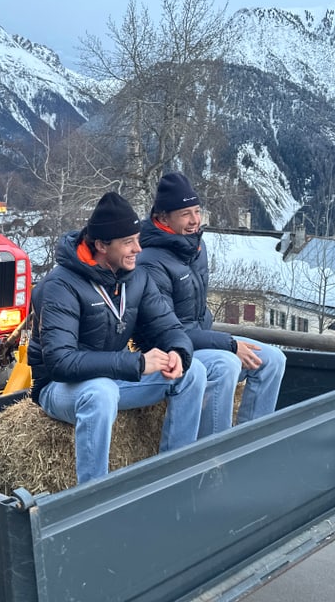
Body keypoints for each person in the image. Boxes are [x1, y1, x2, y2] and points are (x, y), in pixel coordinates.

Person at [28, 191, 207, 484]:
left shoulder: (135, 277)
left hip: (113, 379)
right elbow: (60, 362)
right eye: (128, 242)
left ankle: (174, 477)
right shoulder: (60, 285)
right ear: (101, 245)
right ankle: (93, 496)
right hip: (60, 388)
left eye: (137, 239)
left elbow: (169, 326)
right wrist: (135, 363)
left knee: (192, 372)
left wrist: (178, 350)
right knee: (100, 393)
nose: (138, 248)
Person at [137, 172, 287, 438]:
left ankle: (249, 443)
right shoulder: (150, 262)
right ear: (162, 218)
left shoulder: (196, 247)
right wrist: (229, 344)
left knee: (273, 359)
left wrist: (224, 342)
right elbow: (170, 331)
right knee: (225, 364)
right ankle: (212, 458)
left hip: (200, 339)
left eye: (197, 211)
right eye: (185, 213)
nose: (195, 220)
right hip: (170, 348)